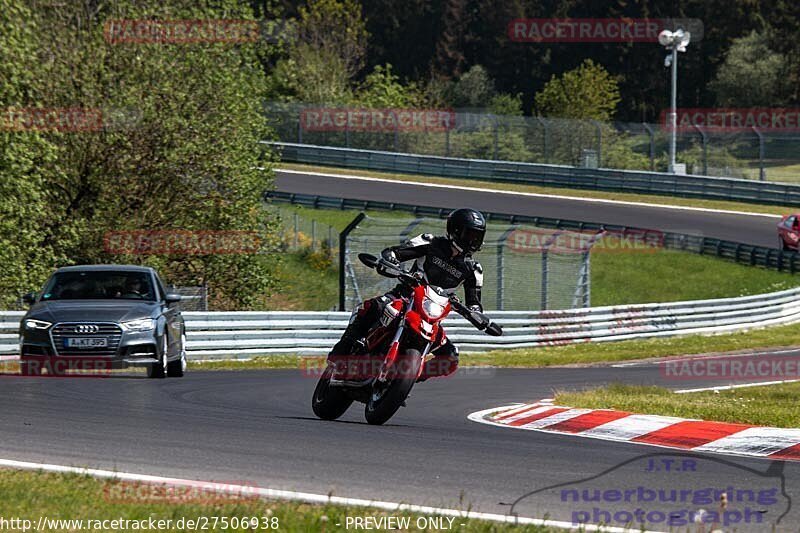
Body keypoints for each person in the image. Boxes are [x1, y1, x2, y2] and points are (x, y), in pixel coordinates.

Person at [330, 208, 487, 380]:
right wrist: (390, 261)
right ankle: (342, 351)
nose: (474, 240)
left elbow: (474, 303)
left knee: (450, 357)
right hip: (404, 296)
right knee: (373, 307)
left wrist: (476, 314)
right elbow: (396, 253)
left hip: (430, 315)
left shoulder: (473, 270)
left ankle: (405, 379)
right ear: (455, 230)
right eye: (470, 234)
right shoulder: (431, 242)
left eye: (478, 236)